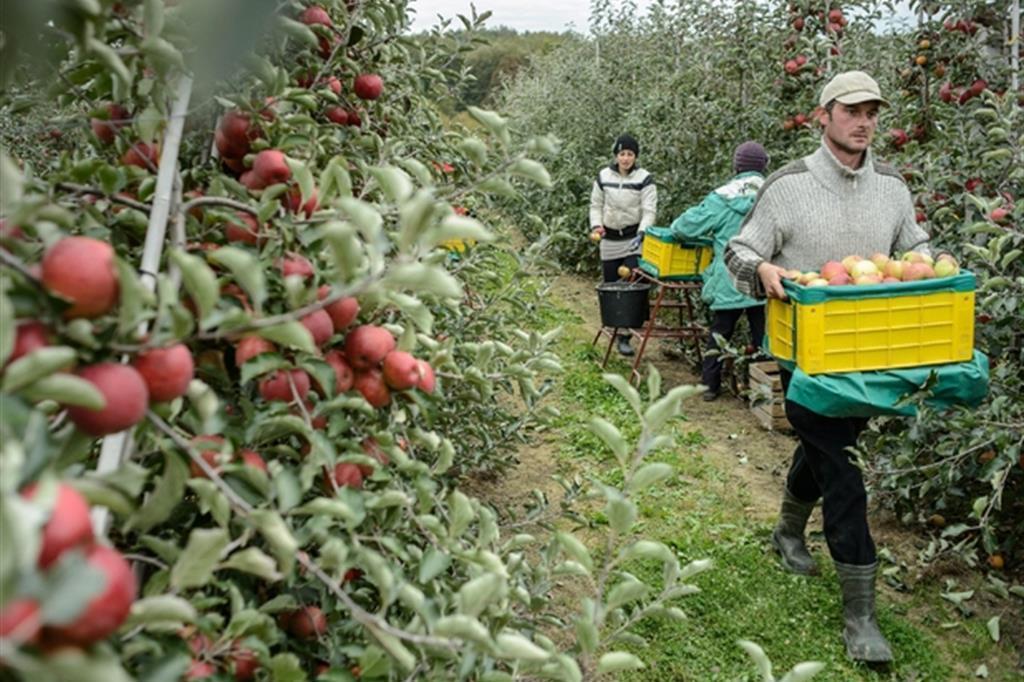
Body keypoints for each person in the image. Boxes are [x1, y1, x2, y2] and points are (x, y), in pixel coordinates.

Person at [725, 71, 933, 664]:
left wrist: (926, 265)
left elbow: (913, 245)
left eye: (871, 111)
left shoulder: (891, 187)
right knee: (845, 468)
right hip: (806, 357)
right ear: (823, 116)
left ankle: (788, 530)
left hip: (870, 354)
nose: (864, 122)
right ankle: (860, 615)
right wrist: (763, 273)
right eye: (851, 111)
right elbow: (739, 250)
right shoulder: (788, 186)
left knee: (827, 450)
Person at [666, 141, 769, 402]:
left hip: (731, 278)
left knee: (720, 333)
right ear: (764, 167)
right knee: (765, 339)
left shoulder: (723, 197)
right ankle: (765, 393)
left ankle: (710, 386)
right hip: (764, 279)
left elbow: (684, 228)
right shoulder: (774, 194)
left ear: (736, 166)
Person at [589, 133, 657, 356]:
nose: (625, 158)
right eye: (622, 154)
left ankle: (626, 334)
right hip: (609, 238)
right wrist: (596, 226)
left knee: (628, 280)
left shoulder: (644, 178)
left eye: (629, 154)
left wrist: (642, 232)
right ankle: (617, 327)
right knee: (611, 284)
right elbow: (595, 205)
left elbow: (649, 210)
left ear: (635, 156)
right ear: (616, 156)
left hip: (632, 239)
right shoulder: (604, 176)